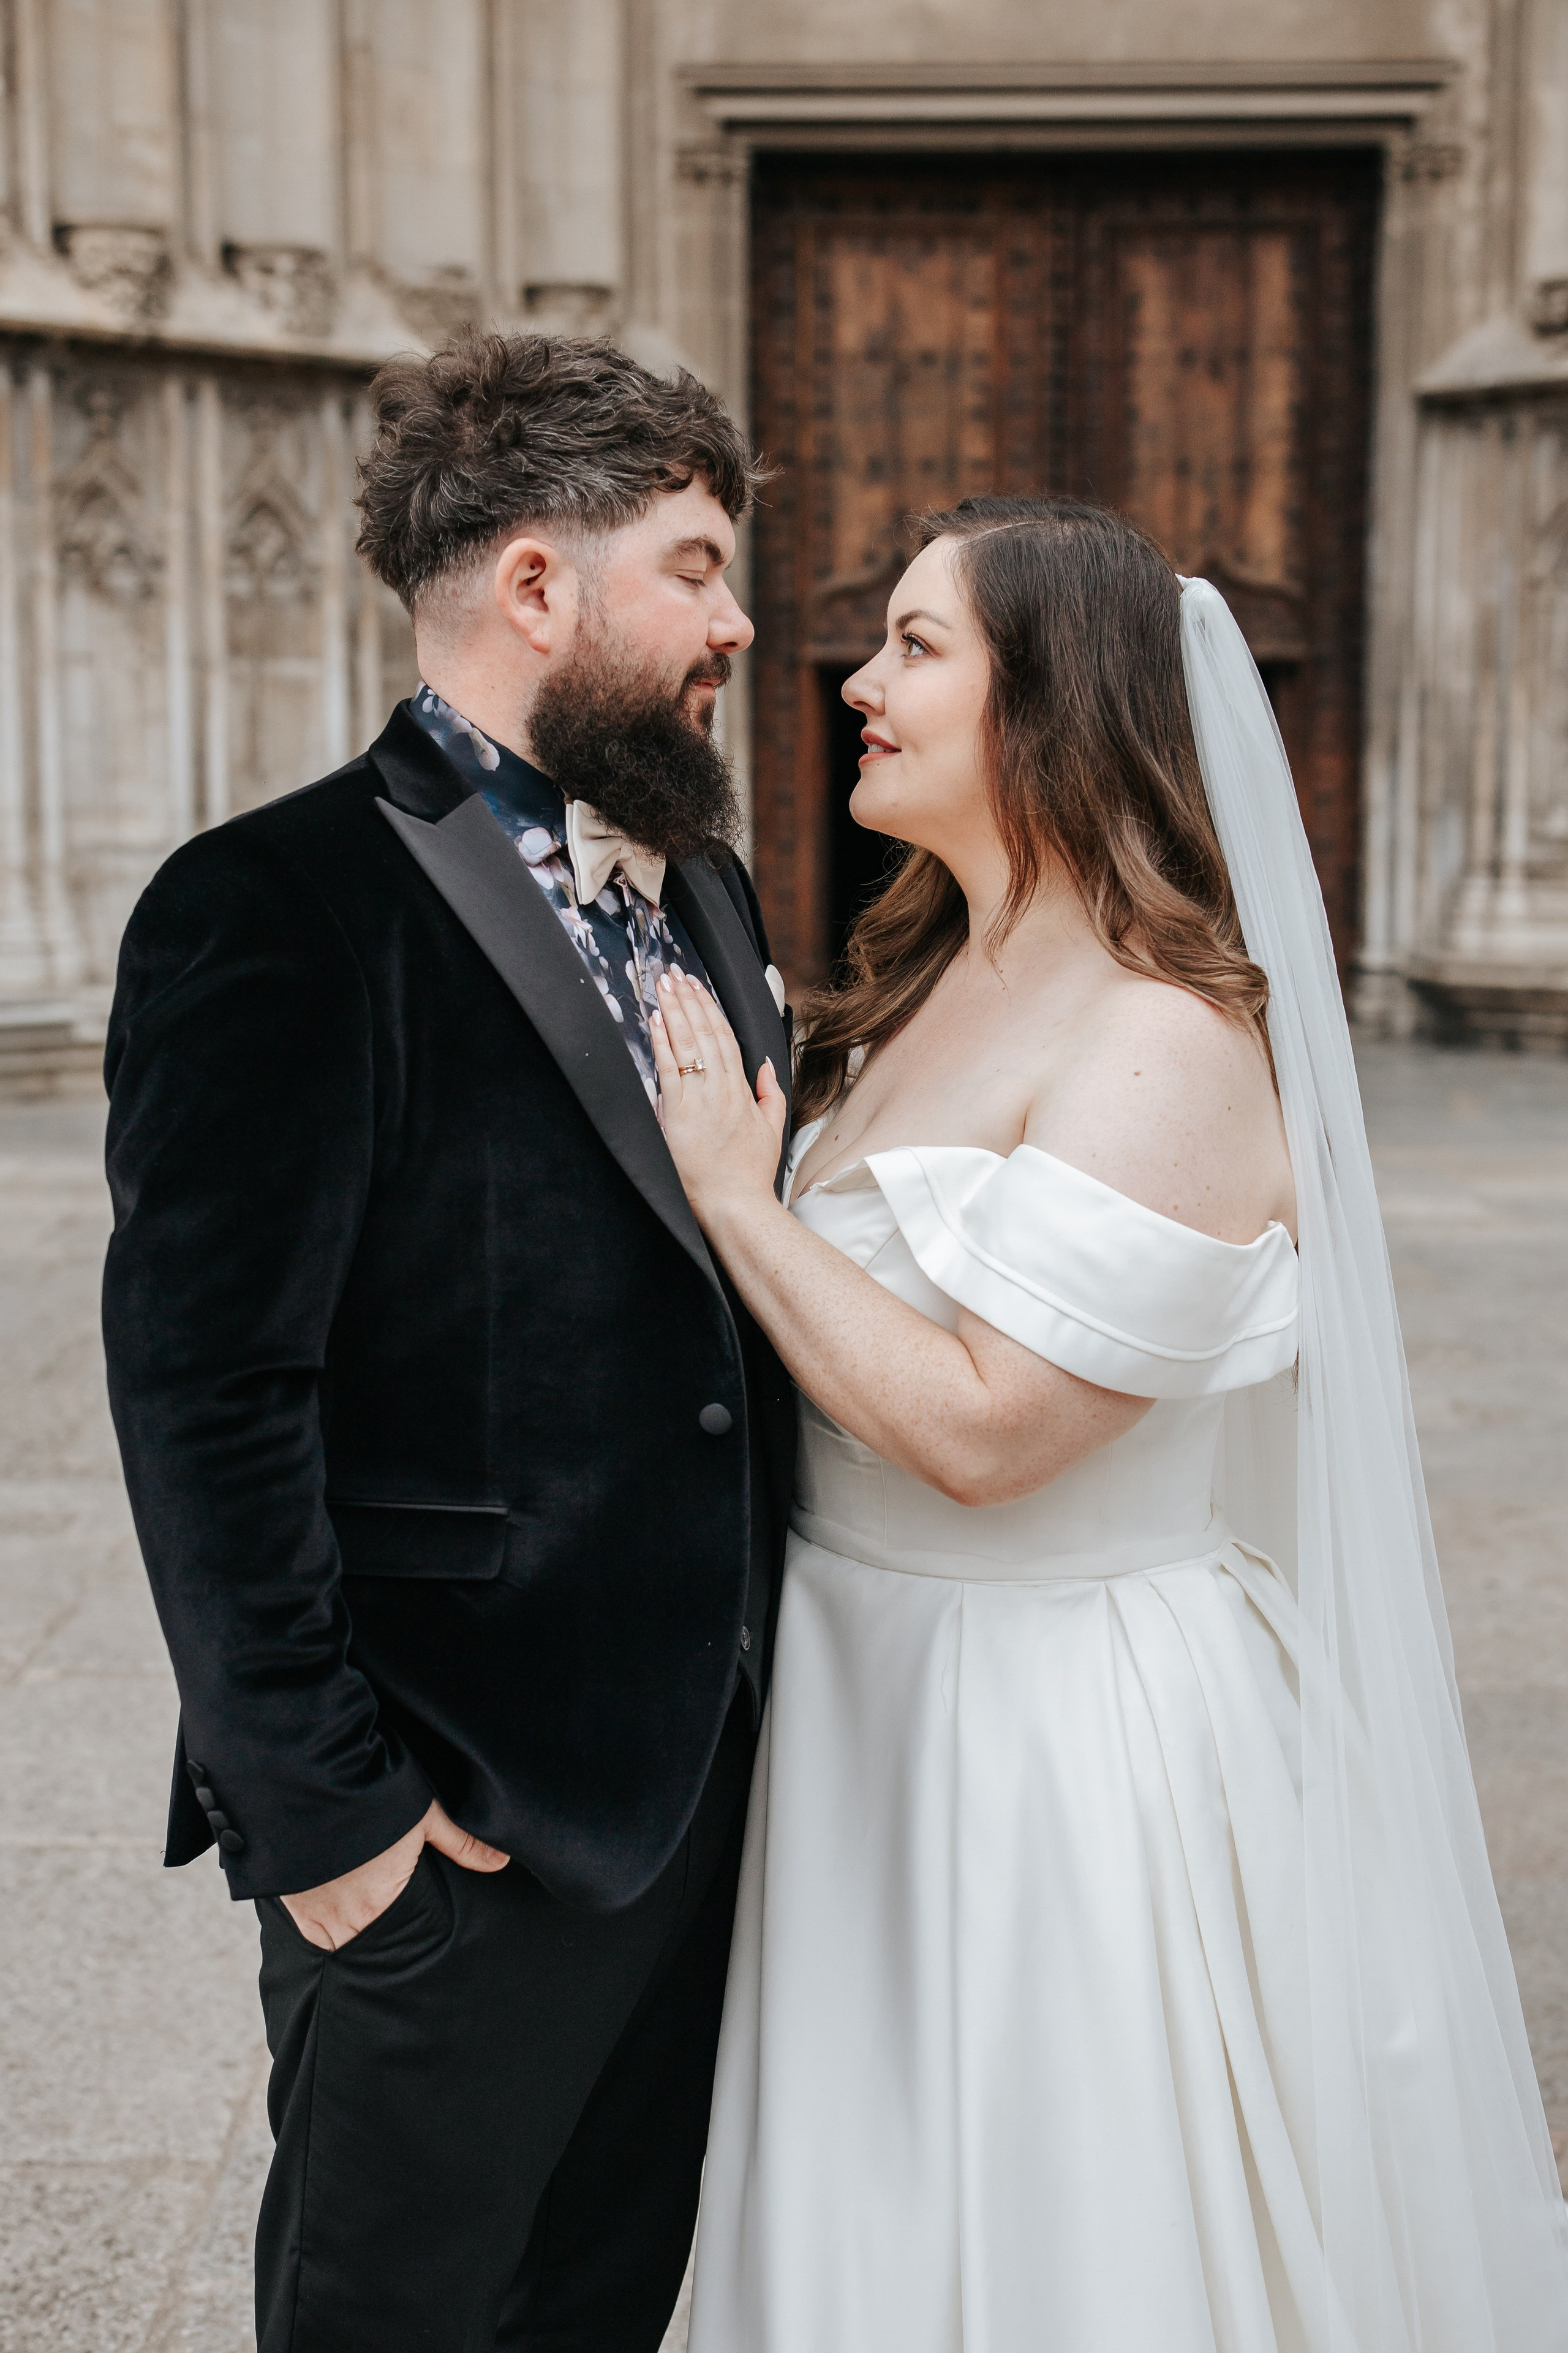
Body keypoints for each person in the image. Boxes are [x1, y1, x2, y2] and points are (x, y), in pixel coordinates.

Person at [648, 497, 1568, 2350]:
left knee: (1061, 2222)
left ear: (1052, 699)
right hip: (861, 1686)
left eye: (918, 648)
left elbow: (996, 1432)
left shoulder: (1165, 1035)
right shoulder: (918, 979)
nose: (856, 682)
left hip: (1051, 1737)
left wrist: (739, 1203)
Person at [100, 333, 795, 2353]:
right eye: (694, 564)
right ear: (534, 585)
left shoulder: (710, 888)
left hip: (695, 1809)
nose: (740, 619)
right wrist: (340, 1840)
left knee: (593, 2314)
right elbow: (209, 1400)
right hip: (444, 1843)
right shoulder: (273, 903)